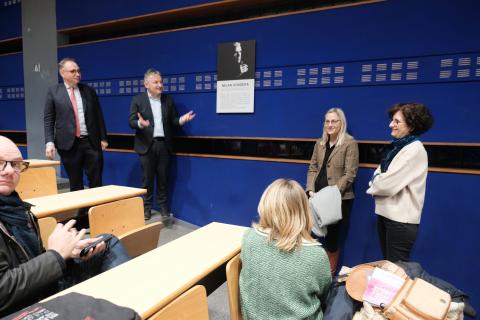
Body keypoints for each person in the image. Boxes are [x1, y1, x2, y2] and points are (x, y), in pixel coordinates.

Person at [0, 136, 129, 316]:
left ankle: (125, 310)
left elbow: (27, 259)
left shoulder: (18, 208)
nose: (8, 171)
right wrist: (56, 256)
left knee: (108, 243)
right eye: (0, 163)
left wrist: (68, 253)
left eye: (15, 164)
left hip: (39, 286)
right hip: (21, 307)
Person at [240, 179, 331, 320]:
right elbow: (326, 295)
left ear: (265, 205)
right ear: (304, 211)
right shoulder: (316, 256)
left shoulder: (248, 237)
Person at [367, 102, 433, 262]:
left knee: (396, 272)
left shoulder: (414, 150)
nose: (391, 125)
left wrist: (376, 182)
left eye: (397, 121)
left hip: (401, 222)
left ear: (411, 125)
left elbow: (385, 185)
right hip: (386, 214)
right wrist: (377, 181)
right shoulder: (397, 147)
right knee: (389, 269)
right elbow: (379, 175)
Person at [128, 68, 195, 220]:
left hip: (164, 145)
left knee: (163, 179)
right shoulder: (138, 100)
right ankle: (146, 209)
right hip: (146, 146)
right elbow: (131, 121)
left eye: (161, 82)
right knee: (147, 180)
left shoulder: (168, 100)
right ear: (146, 84)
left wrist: (181, 120)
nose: (160, 85)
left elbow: (173, 121)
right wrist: (140, 123)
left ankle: (164, 209)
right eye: (156, 82)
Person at [306, 108, 359, 274]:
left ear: (341, 123)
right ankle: (312, 274)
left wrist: (331, 195)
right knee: (312, 235)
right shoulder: (319, 143)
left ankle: (328, 278)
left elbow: (350, 174)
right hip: (316, 198)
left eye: (334, 121)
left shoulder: (350, 144)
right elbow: (312, 168)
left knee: (332, 240)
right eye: (327, 121)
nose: (330, 124)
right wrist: (310, 190)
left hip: (338, 200)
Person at [44, 57, 108, 193]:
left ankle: (96, 211)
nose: (77, 74)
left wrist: (103, 138)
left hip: (91, 143)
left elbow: (98, 115)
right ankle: (81, 213)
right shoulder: (54, 91)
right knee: (75, 182)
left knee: (96, 181)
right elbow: (49, 118)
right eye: (73, 71)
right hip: (68, 145)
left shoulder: (89, 91)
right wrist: (49, 142)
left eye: (78, 71)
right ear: (62, 73)